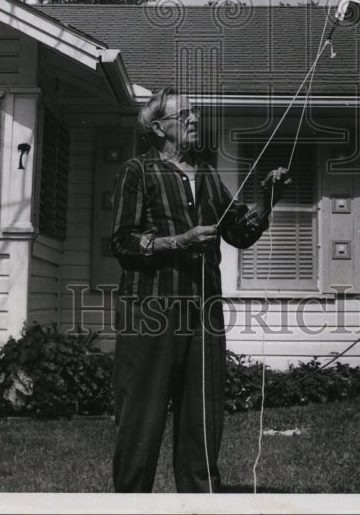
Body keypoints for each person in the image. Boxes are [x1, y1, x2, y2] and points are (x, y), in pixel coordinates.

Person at [110, 86, 291, 493]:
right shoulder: (137, 173)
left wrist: (267, 200)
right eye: (185, 115)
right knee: (140, 423)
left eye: (195, 114)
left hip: (205, 318)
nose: (195, 120)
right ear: (159, 128)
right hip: (150, 315)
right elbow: (121, 242)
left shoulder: (207, 174)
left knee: (202, 426)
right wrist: (180, 241)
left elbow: (239, 233)